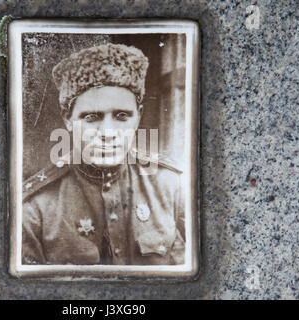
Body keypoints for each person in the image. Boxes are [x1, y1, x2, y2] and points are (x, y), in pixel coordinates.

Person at [22, 43, 185, 265]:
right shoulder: (35, 207)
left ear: (138, 116)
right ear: (68, 119)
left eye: (121, 116)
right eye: (91, 118)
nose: (108, 133)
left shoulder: (170, 186)